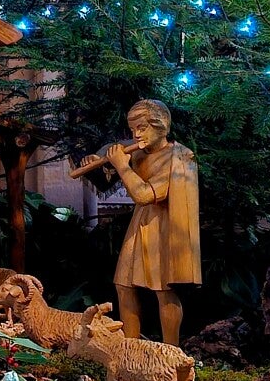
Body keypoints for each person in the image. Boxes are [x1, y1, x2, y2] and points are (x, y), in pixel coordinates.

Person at [76, 99, 200, 346]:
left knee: (163, 290)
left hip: (166, 226)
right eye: (133, 129)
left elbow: (143, 195)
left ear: (161, 125)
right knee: (124, 285)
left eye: (142, 128)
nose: (136, 135)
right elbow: (115, 151)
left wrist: (122, 166)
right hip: (140, 223)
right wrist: (97, 159)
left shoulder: (180, 157)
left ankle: (170, 350)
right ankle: (130, 347)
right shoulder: (139, 151)